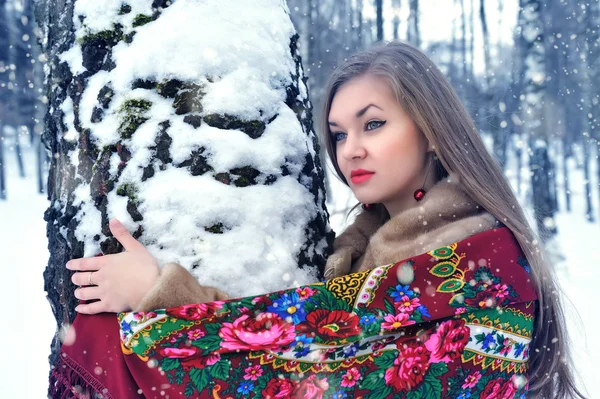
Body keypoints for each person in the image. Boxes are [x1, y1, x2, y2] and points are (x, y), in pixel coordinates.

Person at [61, 41, 583, 398]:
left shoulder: (483, 268)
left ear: (431, 129)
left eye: (372, 124)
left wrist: (157, 298)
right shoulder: (356, 256)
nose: (350, 150)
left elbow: (306, 380)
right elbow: (299, 344)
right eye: (336, 134)